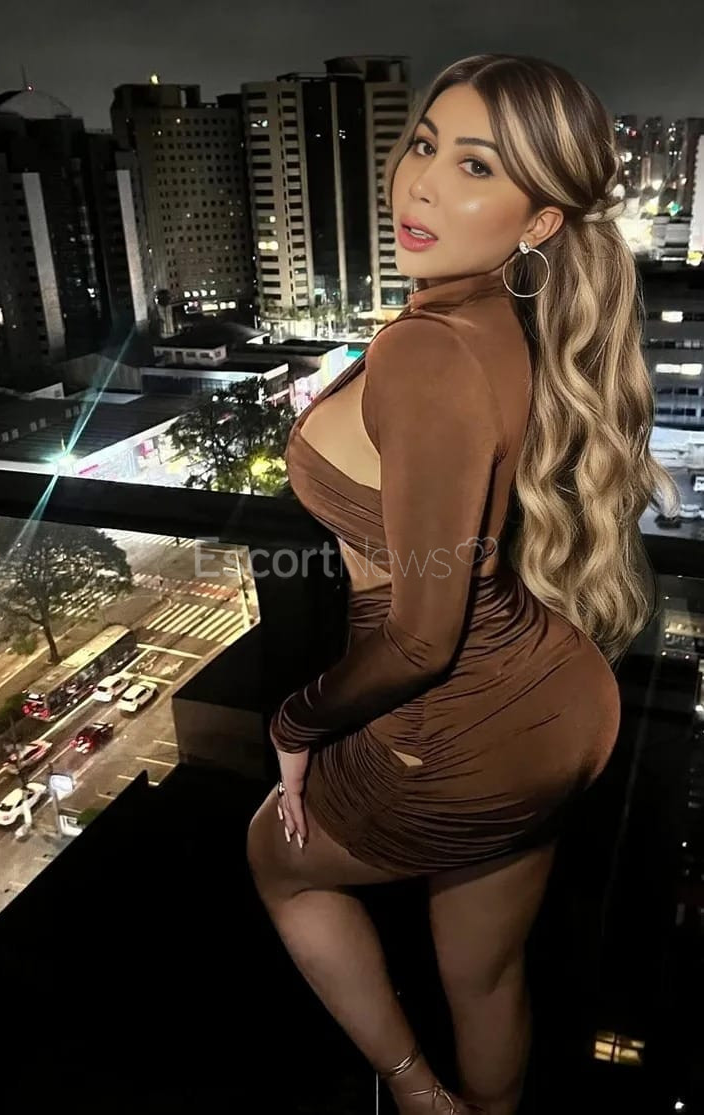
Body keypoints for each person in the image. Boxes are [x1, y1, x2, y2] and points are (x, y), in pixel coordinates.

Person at [246, 53, 679, 1115]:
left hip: (458, 715)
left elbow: (420, 637)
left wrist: (295, 725)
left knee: (279, 862)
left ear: (540, 221)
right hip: (555, 705)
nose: (422, 184)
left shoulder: (429, 352)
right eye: (424, 145)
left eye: (474, 165)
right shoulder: (505, 320)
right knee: (482, 972)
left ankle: (418, 1096)